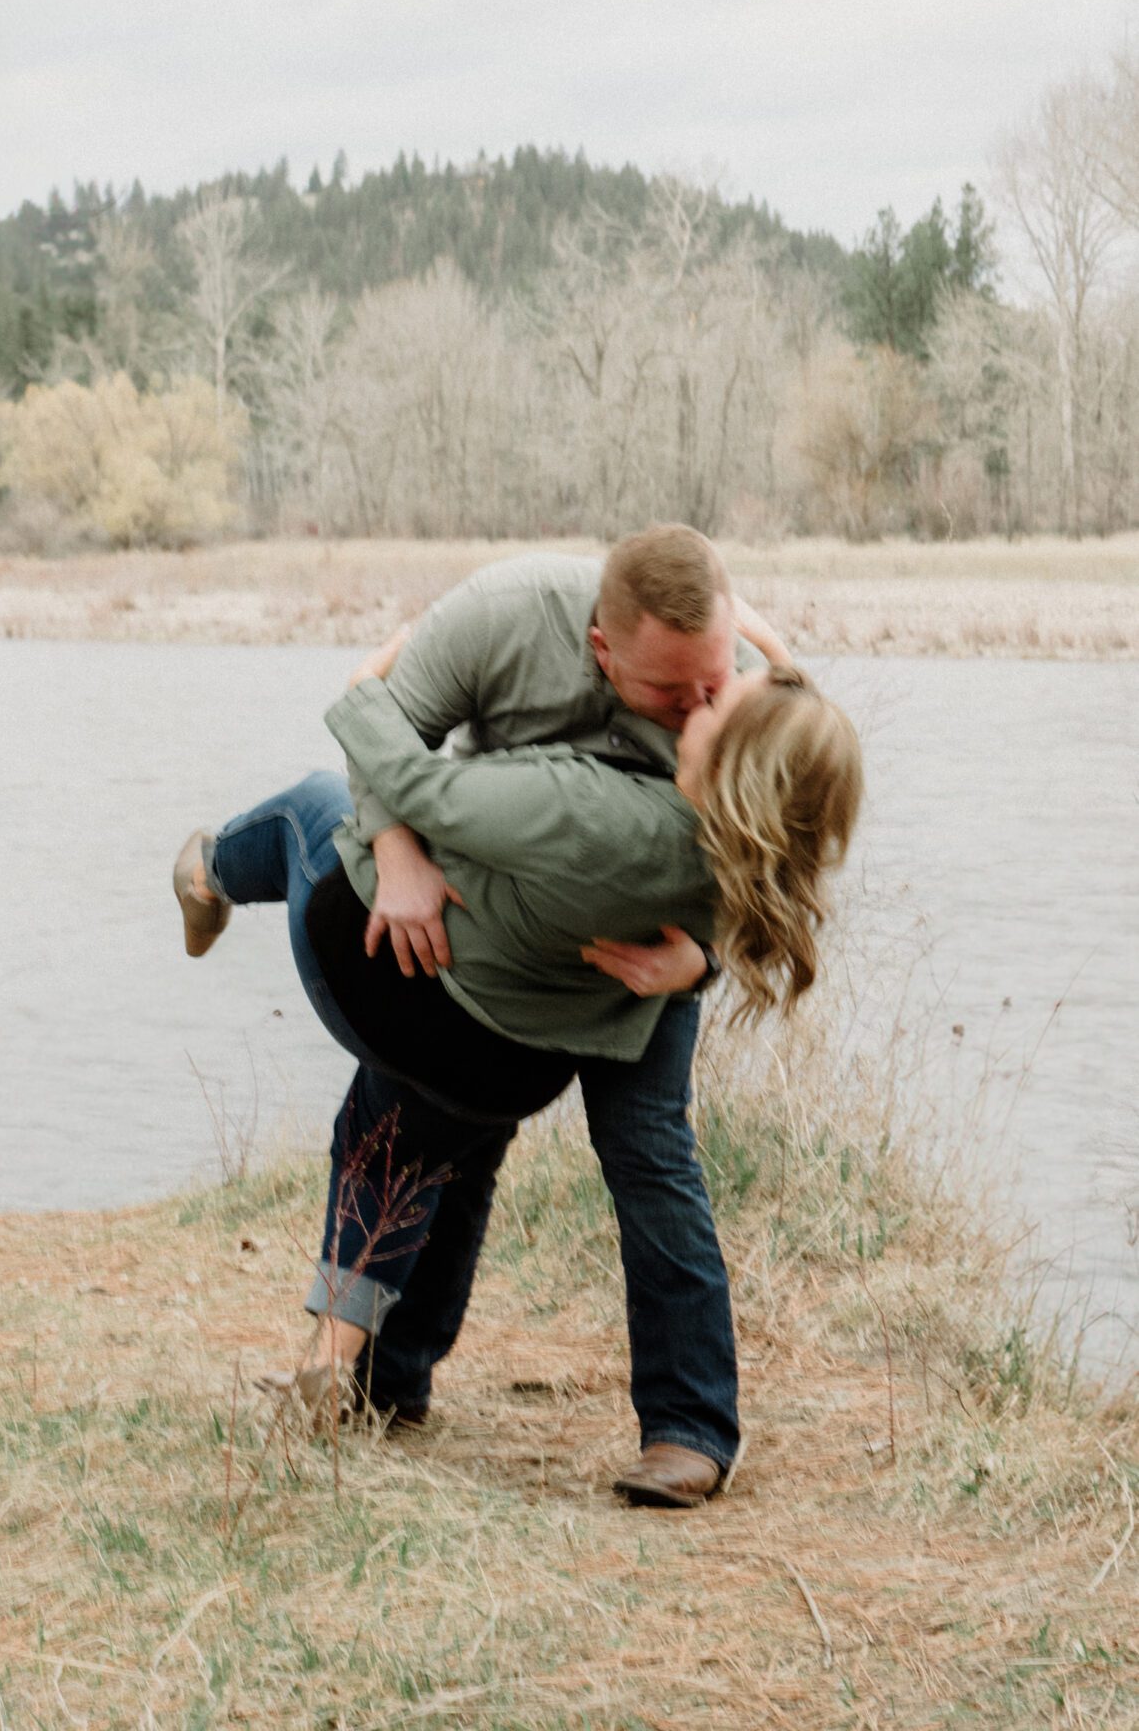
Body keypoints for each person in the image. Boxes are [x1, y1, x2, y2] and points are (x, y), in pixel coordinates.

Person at [176, 527, 828, 1504]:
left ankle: (689, 1427)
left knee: (648, 1147)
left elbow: (794, 818)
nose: (703, 702)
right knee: (447, 1110)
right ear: (603, 649)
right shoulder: (504, 615)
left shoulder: (738, 673)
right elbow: (386, 727)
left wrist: (705, 957)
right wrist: (397, 857)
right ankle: (387, 1380)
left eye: (715, 681)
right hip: (508, 897)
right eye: (673, 692)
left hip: (652, 937)